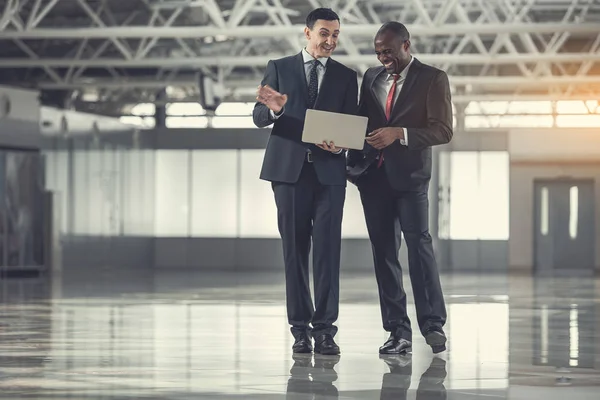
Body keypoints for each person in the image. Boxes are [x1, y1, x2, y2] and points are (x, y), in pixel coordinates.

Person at [252, 7, 358, 355]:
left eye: (335, 35)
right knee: (294, 252)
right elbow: (258, 116)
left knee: (327, 253)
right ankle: (299, 330)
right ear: (307, 32)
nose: (330, 40)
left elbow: (352, 124)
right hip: (289, 173)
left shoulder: (345, 76)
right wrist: (277, 109)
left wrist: (342, 140)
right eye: (324, 33)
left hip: (329, 173)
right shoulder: (279, 68)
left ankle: (325, 330)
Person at [347, 21, 453, 355]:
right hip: (373, 179)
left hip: (410, 179)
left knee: (419, 247)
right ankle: (397, 332)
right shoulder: (371, 77)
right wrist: (340, 141)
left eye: (388, 52)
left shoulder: (433, 79)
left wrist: (399, 133)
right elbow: (362, 119)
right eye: (378, 53)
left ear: (407, 45)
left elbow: (443, 131)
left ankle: (432, 325)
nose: (383, 59)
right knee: (384, 255)